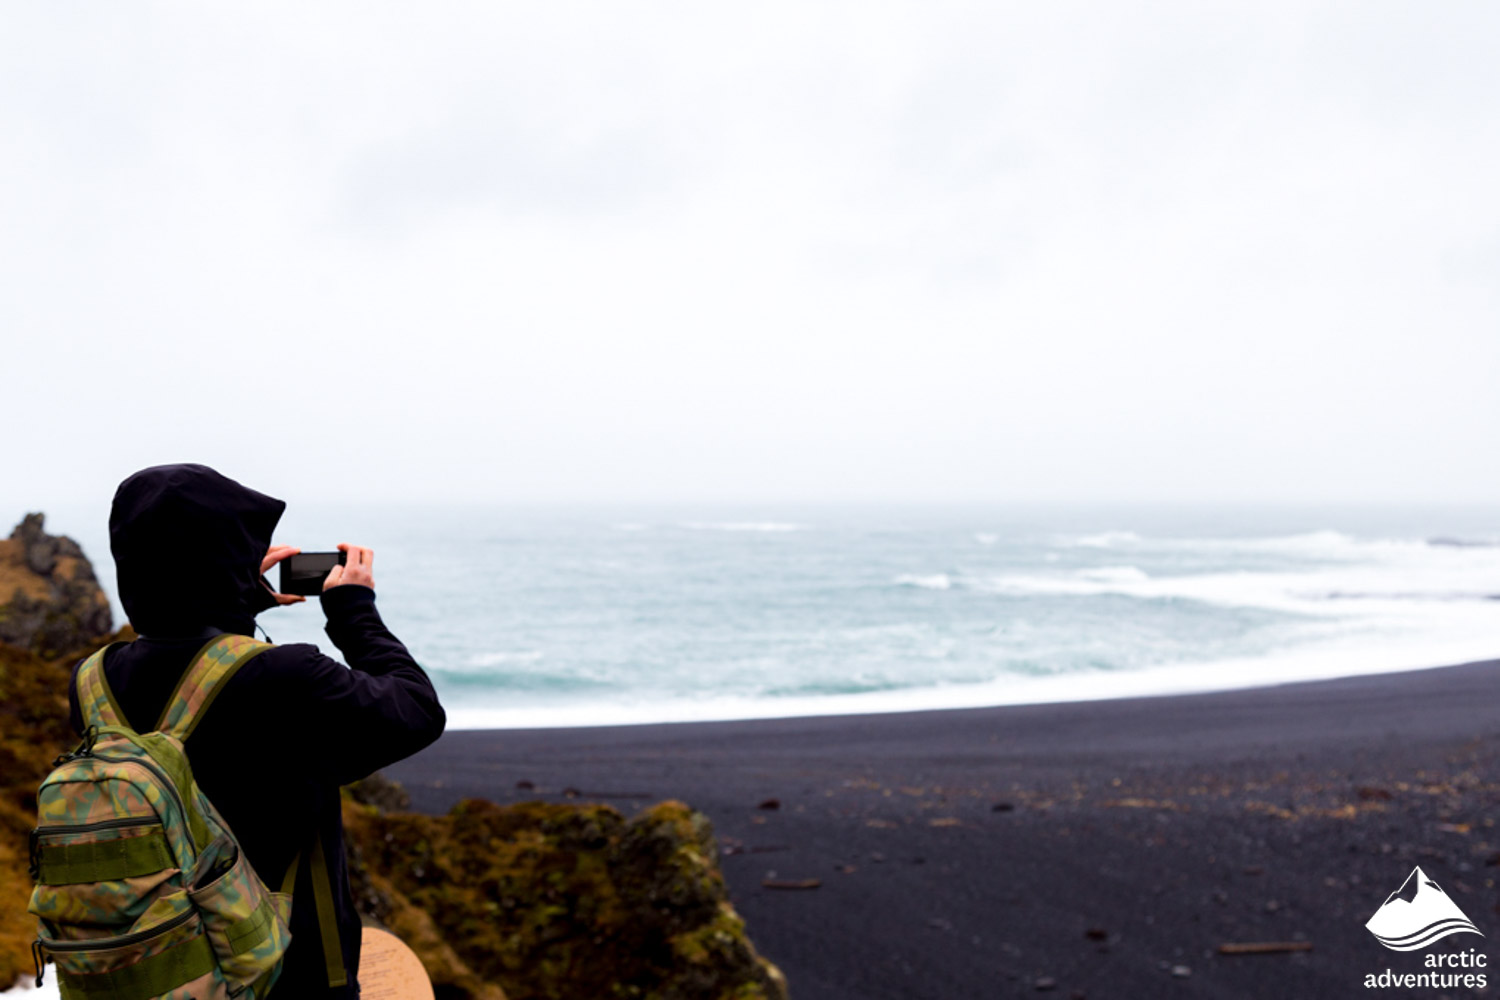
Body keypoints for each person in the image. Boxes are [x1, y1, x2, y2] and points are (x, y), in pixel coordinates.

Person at [66, 463, 447, 998]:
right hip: (282, 978)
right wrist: (354, 611)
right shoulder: (284, 678)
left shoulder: (92, 681)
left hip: (158, 967)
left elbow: (182, 659)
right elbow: (416, 711)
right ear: (226, 562)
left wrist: (234, 603)